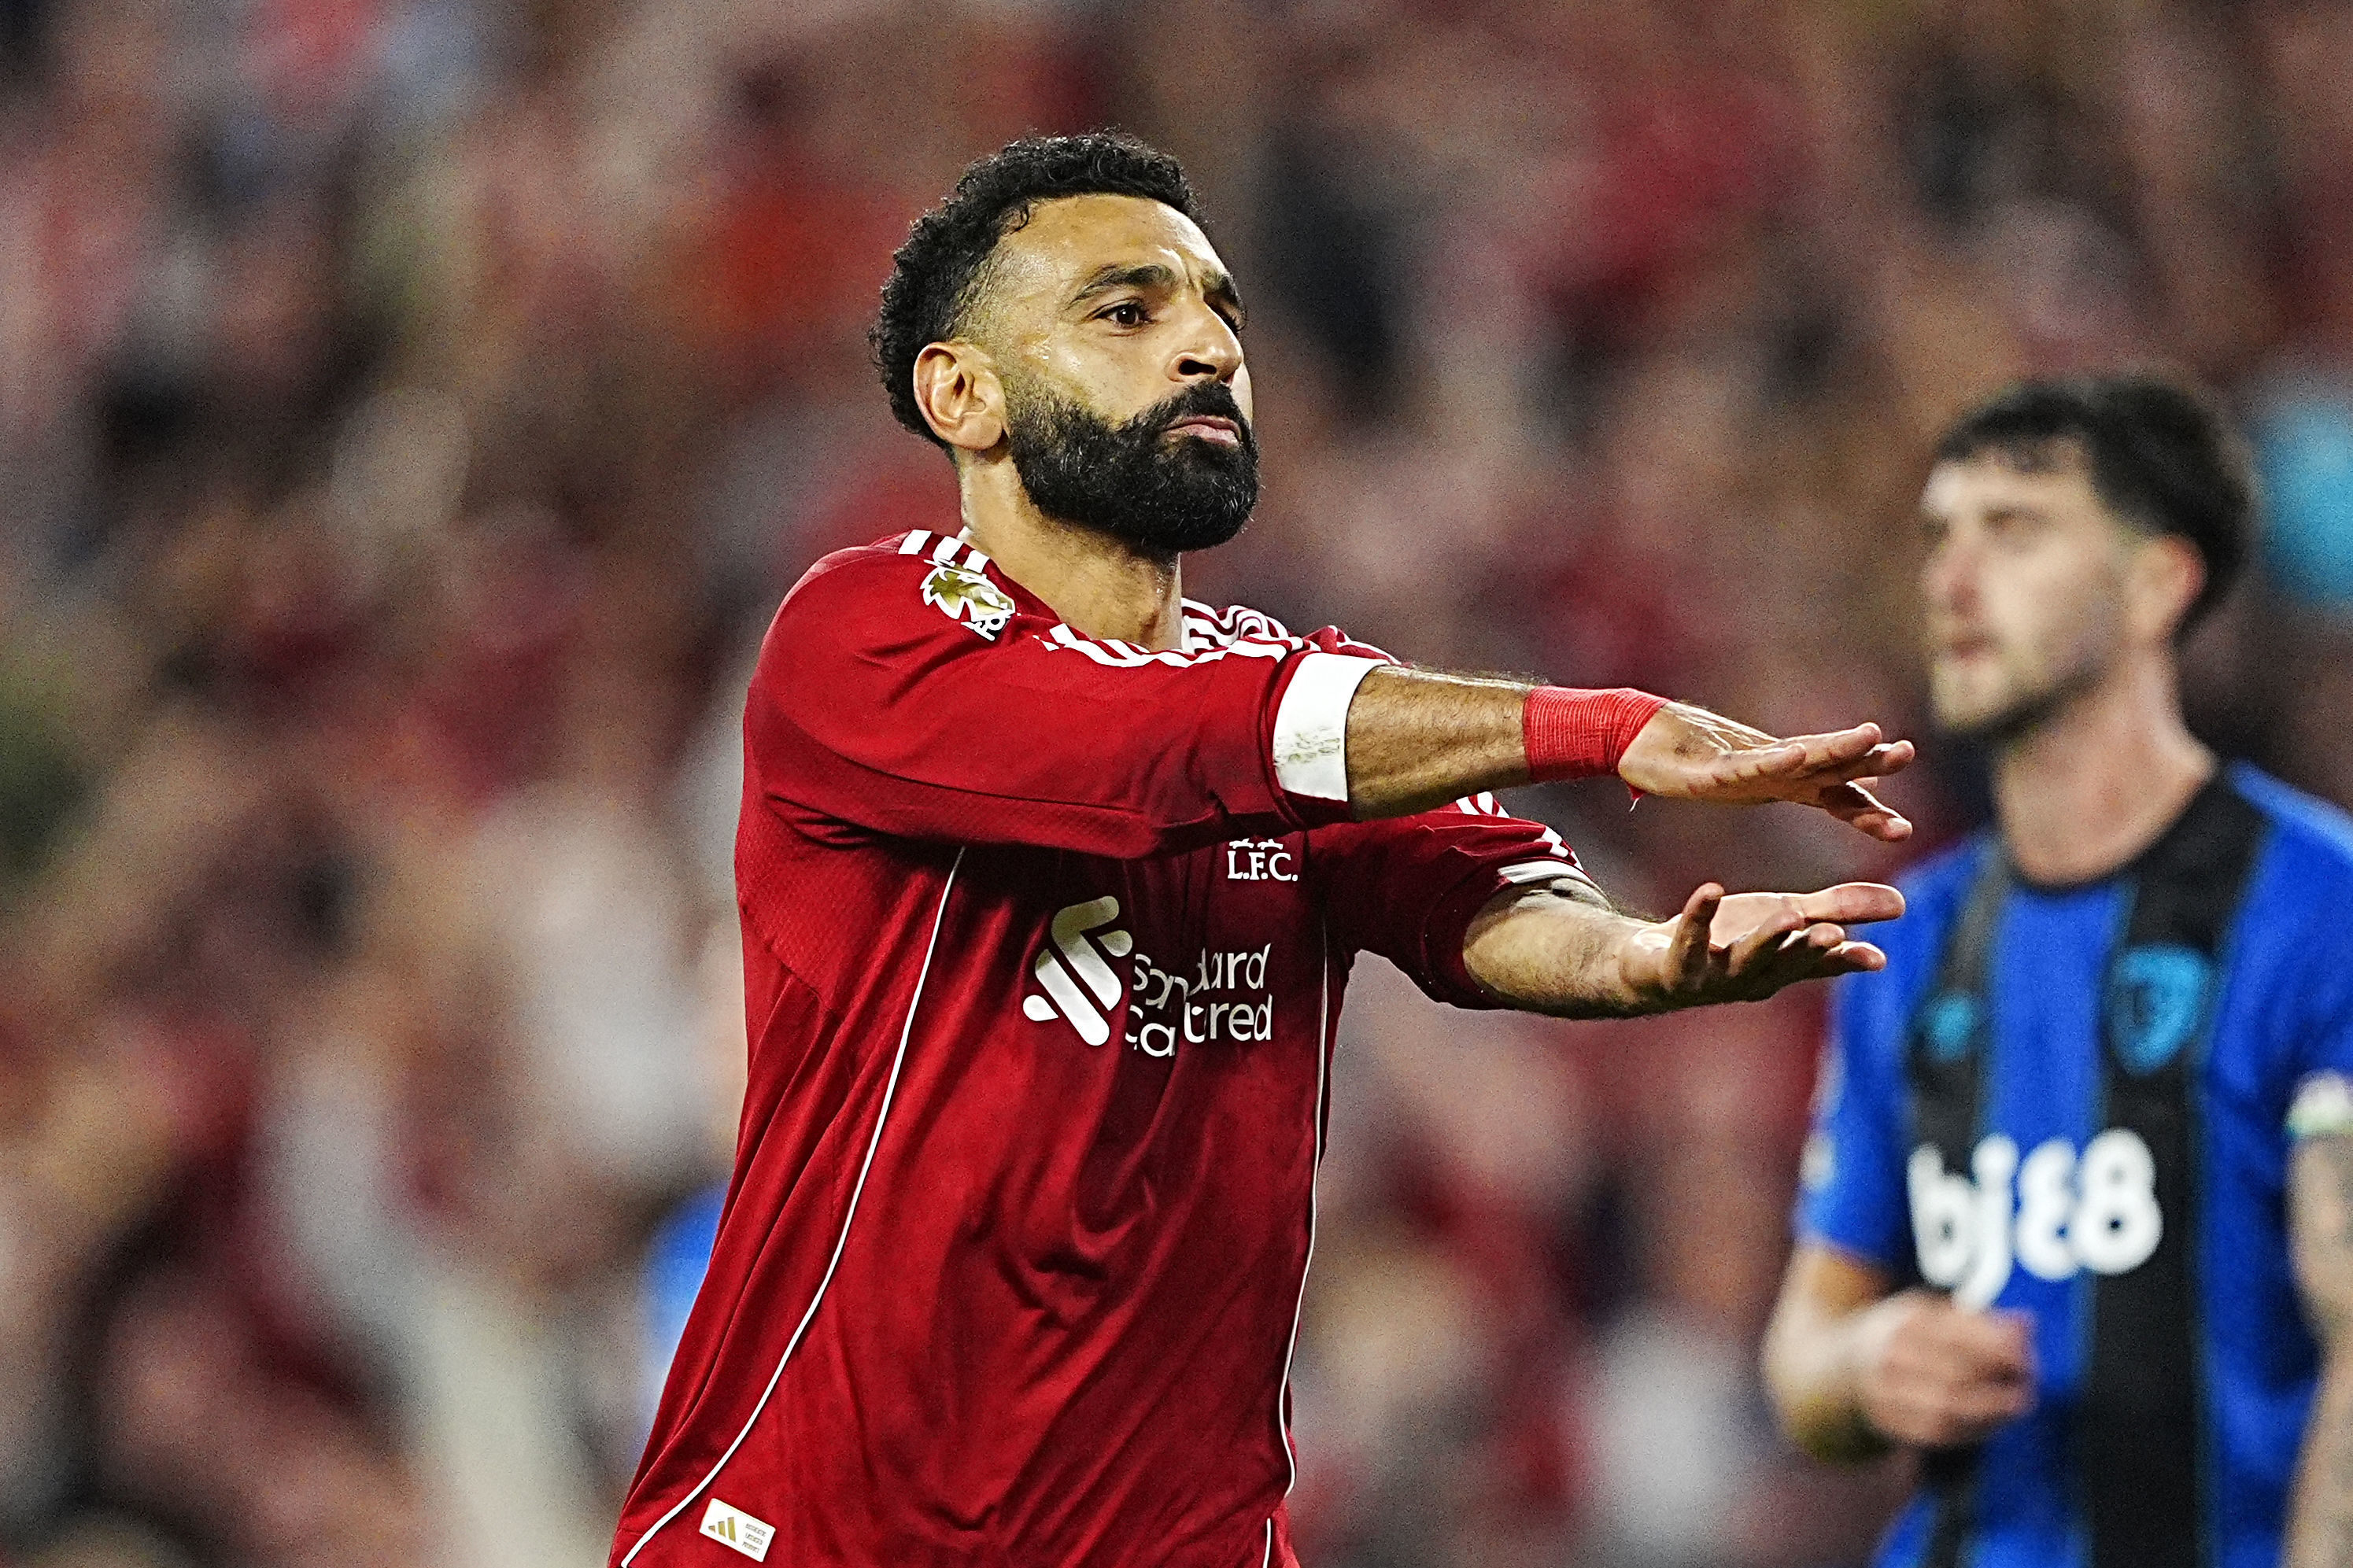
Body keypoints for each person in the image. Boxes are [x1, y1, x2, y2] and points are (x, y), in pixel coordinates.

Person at [612, 132, 1913, 1568]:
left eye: (1219, 312)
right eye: (1127, 311)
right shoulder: (860, 640)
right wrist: (1600, 723)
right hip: (822, 1533)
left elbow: (1471, 888)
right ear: (961, 391)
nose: (1203, 350)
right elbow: (1167, 748)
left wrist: (1637, 959)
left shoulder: (1298, 686)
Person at [1763, 375, 2353, 1568]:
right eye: (1940, 533)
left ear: (2154, 586)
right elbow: (1801, 1354)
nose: (1950, 579)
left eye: (2014, 529)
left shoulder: (2317, 911)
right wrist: (1870, 1364)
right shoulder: (1905, 940)